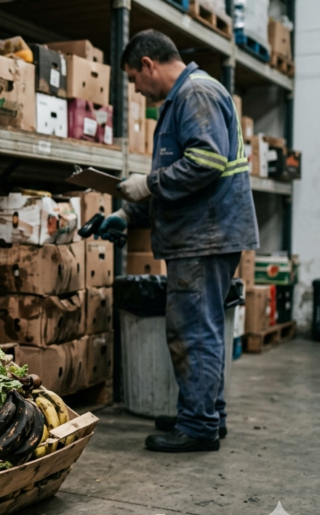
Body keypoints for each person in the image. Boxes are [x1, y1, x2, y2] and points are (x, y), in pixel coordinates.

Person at [96, 30, 259, 452]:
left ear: (149, 64)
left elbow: (204, 162)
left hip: (205, 236)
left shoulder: (195, 94)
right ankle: (205, 413)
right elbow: (180, 180)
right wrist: (125, 214)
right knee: (203, 329)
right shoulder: (188, 96)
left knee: (194, 333)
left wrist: (145, 186)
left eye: (134, 77)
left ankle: (199, 426)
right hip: (207, 231)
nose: (136, 88)